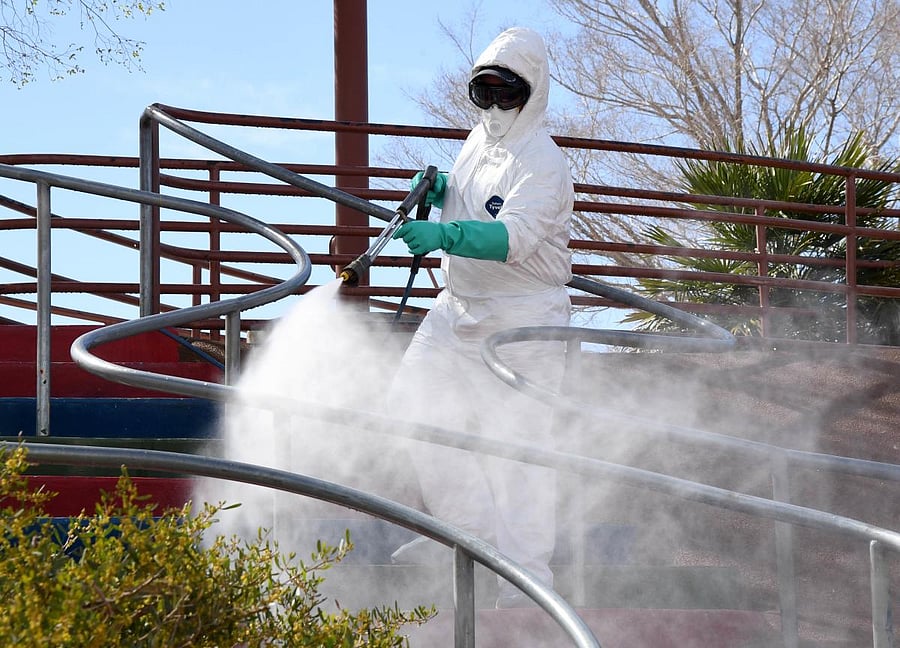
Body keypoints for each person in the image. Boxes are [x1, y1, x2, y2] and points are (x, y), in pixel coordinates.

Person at [387, 26, 574, 609]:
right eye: (483, 94)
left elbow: (515, 235)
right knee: (413, 405)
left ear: (532, 92)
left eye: (506, 94)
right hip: (456, 309)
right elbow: (473, 194)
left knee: (517, 451)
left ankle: (527, 585)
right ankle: (467, 538)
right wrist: (443, 187)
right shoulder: (476, 141)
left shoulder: (544, 162)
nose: (494, 107)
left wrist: (445, 232)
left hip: (522, 324)